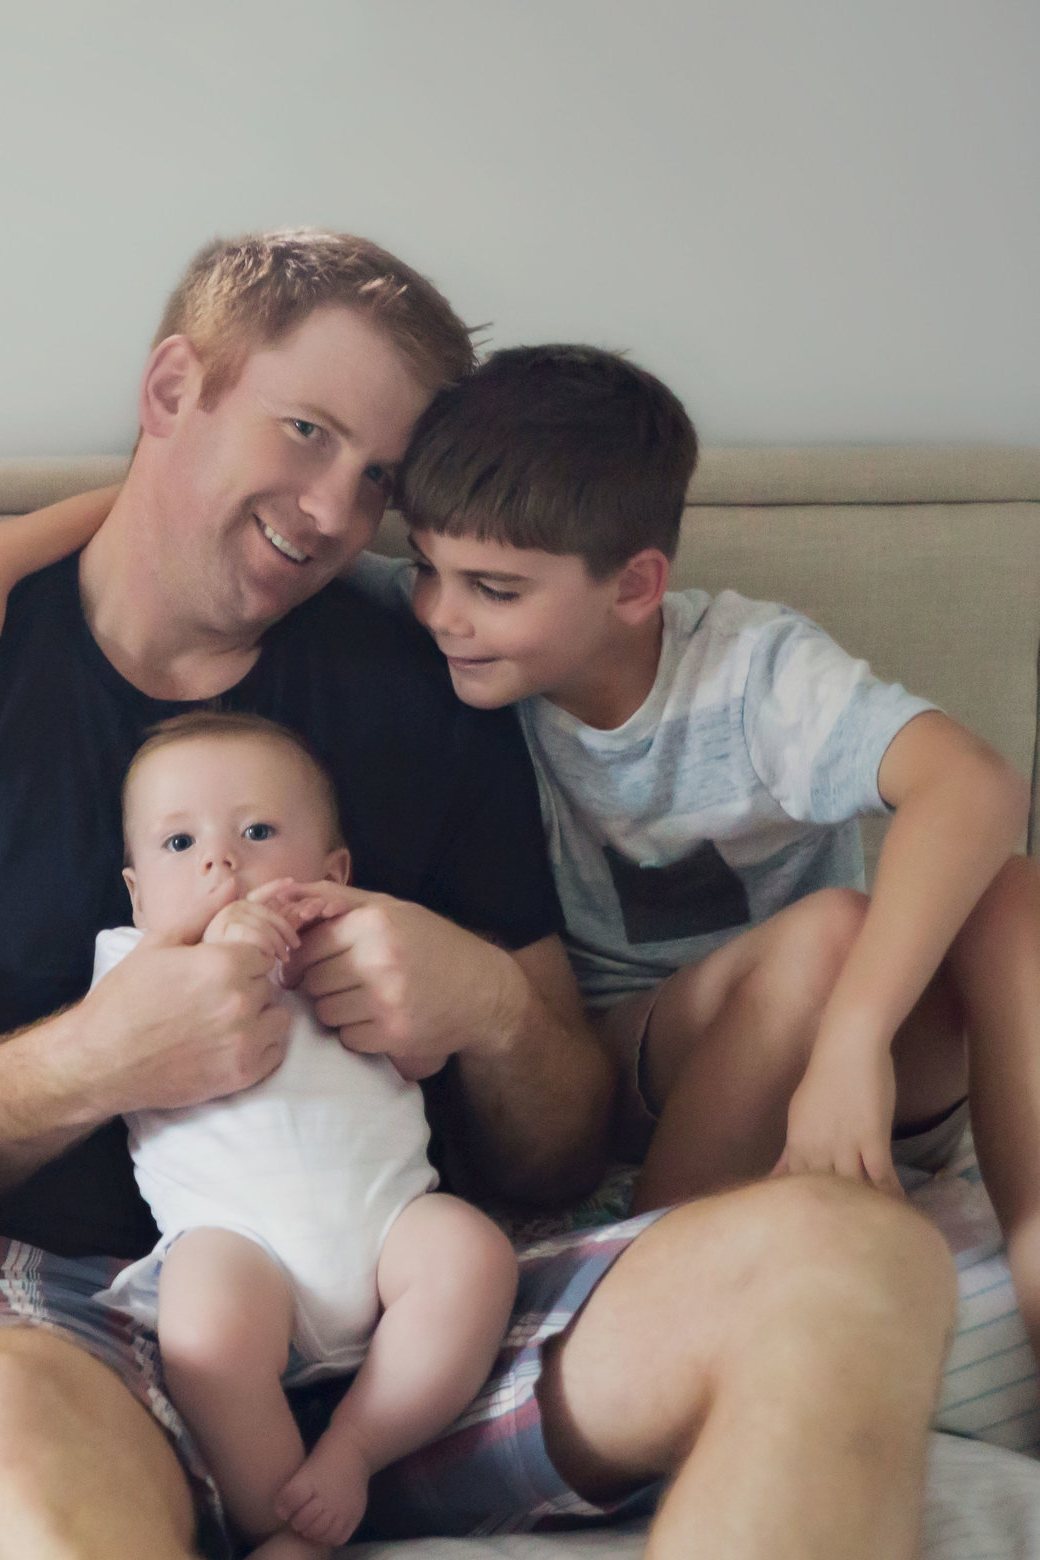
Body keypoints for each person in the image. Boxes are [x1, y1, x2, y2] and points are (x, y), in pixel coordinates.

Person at [0, 228, 955, 1560]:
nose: (333, 510)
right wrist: (91, 1059)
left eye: (379, 479)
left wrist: (484, 1007)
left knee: (858, 1256)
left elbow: (557, 1141)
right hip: (77, 1314)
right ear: (175, 388)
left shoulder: (435, 668)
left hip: (434, 1309)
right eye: (304, 432)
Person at [387, 345, 1040, 1331]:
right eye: (426, 566)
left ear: (635, 585)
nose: (443, 613)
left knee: (1013, 892)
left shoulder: (746, 668)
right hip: (625, 1073)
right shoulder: (431, 642)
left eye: (494, 588)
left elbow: (976, 784)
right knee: (829, 932)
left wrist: (854, 1043)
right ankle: (653, 1271)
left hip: (842, 1061)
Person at [93, 712, 516, 1560]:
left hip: (389, 1225)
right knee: (202, 1331)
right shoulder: (132, 966)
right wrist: (232, 950)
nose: (220, 862)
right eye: (180, 842)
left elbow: (419, 1055)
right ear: (136, 895)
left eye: (256, 832)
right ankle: (285, 1522)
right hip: (241, 1252)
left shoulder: (361, 949)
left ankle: (355, 1449)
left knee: (474, 1255)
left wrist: (422, 1015)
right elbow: (117, 1065)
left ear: (333, 874)